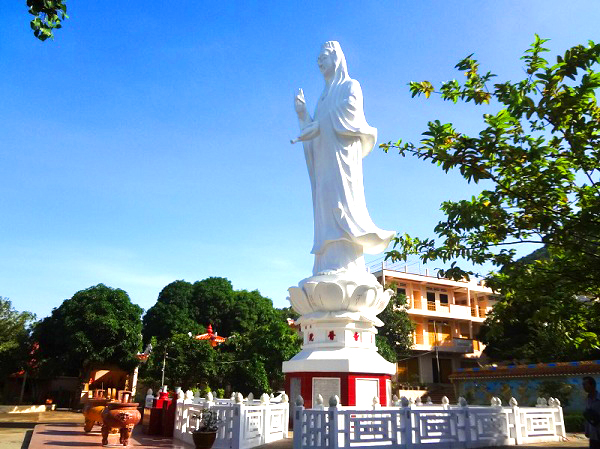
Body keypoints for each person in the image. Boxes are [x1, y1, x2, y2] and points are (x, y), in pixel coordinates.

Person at [292, 41, 394, 276]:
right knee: (325, 207)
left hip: (342, 160)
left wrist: (323, 122)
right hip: (325, 161)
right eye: (318, 60)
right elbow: (314, 132)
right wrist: (303, 115)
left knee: (343, 206)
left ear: (336, 59)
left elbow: (352, 114)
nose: (320, 63)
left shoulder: (350, 85)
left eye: (324, 58)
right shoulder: (322, 99)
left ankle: (346, 266)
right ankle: (326, 263)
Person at [583, 376, 600, 449]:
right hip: (593, 435)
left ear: (592, 385)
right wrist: (587, 431)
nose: (583, 387)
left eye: (585, 384)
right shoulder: (587, 399)